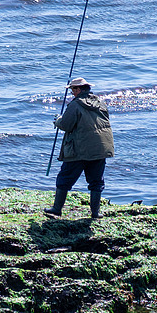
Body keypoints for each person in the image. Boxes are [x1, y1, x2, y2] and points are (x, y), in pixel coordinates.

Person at [46, 77, 114, 219]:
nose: (72, 93)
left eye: (72, 90)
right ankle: (95, 213)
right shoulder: (100, 103)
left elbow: (66, 125)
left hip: (80, 149)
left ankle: (57, 209)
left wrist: (58, 120)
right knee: (96, 181)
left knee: (65, 178)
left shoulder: (75, 105)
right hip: (100, 148)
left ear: (78, 89)